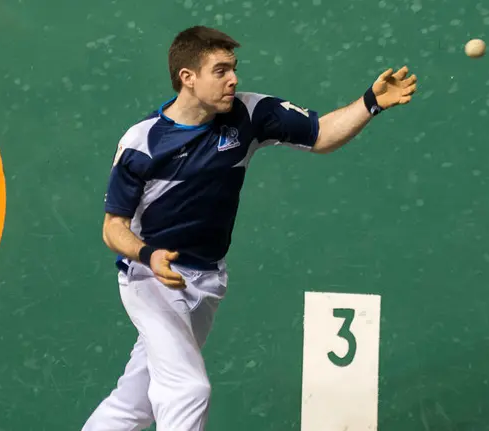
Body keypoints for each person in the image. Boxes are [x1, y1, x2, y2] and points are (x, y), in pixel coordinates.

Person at [81, 25, 417, 431]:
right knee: (188, 389)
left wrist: (370, 103)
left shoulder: (250, 114)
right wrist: (149, 254)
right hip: (150, 278)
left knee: (136, 401)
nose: (233, 79)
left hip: (205, 280)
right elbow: (113, 228)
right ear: (188, 77)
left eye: (234, 69)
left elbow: (321, 135)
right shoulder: (143, 141)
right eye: (220, 70)